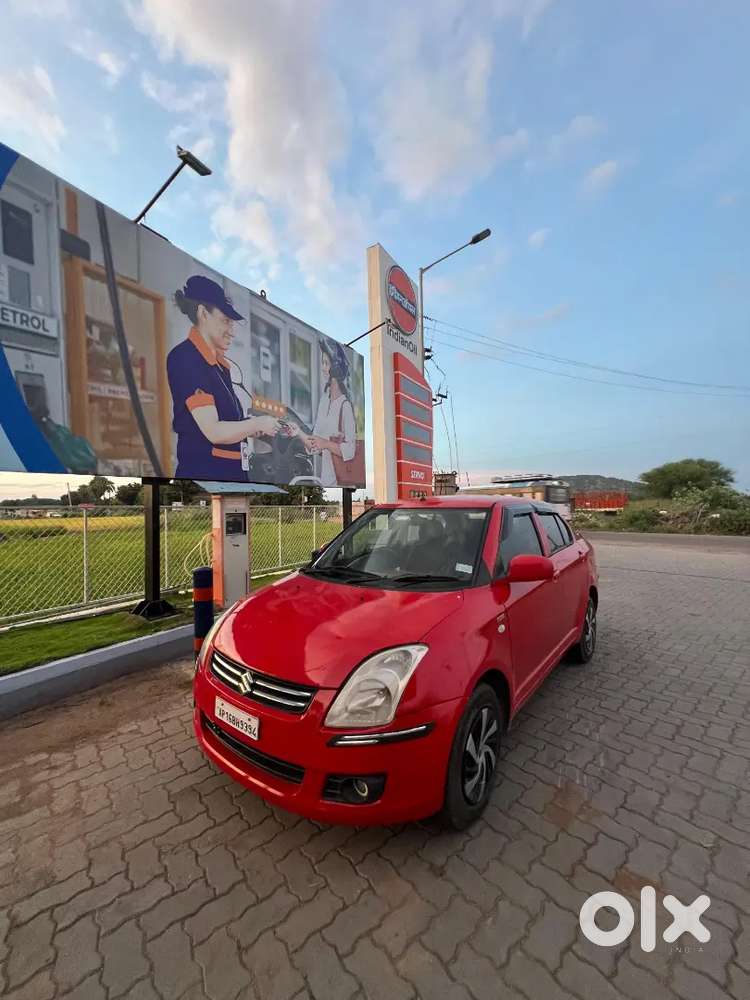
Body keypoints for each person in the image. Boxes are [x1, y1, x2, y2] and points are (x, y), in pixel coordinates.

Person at [167, 275, 279, 480]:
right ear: (203, 313)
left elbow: (225, 422)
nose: (232, 331)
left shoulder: (220, 367)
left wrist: (248, 426)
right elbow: (213, 431)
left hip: (230, 479)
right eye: (226, 320)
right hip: (206, 481)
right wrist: (257, 424)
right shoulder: (186, 358)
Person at [299, 338, 356, 487]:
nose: (323, 368)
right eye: (322, 363)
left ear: (336, 367)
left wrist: (326, 443)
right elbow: (315, 443)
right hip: (326, 481)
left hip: (341, 481)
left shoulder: (345, 406)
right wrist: (298, 433)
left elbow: (351, 450)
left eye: (326, 363)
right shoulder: (324, 401)